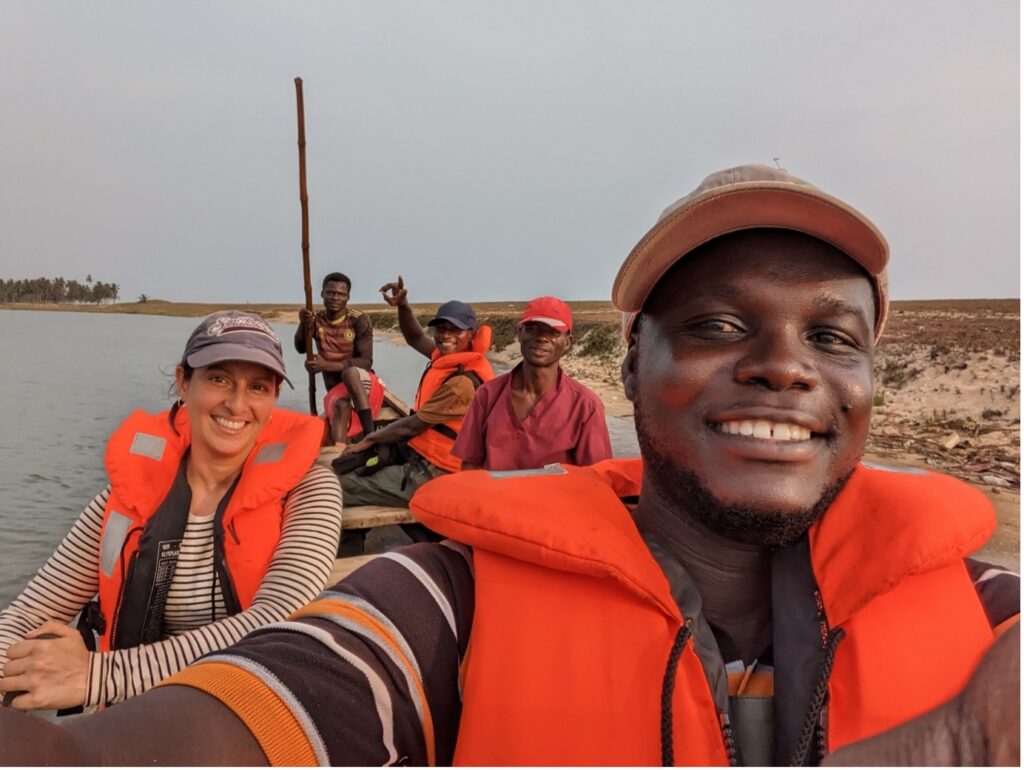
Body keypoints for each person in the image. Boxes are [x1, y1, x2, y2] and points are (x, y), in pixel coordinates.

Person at [0, 166, 1018, 766]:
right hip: (510, 528)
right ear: (633, 357)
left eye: (832, 337)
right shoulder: (445, 601)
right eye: (713, 324)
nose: (784, 365)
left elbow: (536, 465)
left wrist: (973, 734)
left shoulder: (993, 622)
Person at [0, 311, 342, 714]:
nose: (236, 404)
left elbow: (274, 621)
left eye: (257, 387)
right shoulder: (125, 497)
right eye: (218, 379)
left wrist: (96, 676)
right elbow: (30, 611)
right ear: (184, 382)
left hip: (243, 710)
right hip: (128, 713)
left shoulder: (311, 491)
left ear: (273, 400)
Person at [334, 276, 495, 508]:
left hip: (439, 469)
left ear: (472, 334)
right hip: (422, 451)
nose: (445, 336)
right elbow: (415, 337)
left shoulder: (462, 383)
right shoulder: (451, 357)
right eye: (441, 329)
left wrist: (369, 438)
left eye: (455, 330)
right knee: (350, 464)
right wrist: (403, 305)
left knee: (342, 485)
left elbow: (413, 425)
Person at [453, 295, 612, 470]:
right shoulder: (487, 395)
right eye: (532, 329)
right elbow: (469, 466)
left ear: (567, 342)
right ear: (519, 334)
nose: (542, 338)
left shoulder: (586, 406)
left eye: (553, 332)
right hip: (493, 497)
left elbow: (596, 478)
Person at [293, 272, 379, 444]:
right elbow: (301, 348)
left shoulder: (358, 319)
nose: (335, 298)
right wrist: (304, 324)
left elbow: (366, 361)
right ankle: (338, 453)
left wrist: (326, 366)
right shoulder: (315, 319)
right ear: (322, 294)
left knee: (350, 373)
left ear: (348, 297)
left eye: (341, 294)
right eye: (330, 293)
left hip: (363, 385)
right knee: (341, 405)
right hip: (335, 391)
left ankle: (371, 436)